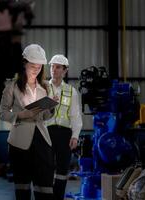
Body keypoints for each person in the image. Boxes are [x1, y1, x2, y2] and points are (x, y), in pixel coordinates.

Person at [0, 44, 54, 200]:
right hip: (20, 142)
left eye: (39, 67)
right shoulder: (12, 87)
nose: (36, 70)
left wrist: (50, 108)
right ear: (24, 64)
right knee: (22, 186)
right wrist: (20, 115)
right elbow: (3, 114)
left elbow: (44, 117)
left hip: (42, 139)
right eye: (32, 66)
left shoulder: (45, 87)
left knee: (45, 185)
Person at [46, 54, 83, 200]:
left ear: (65, 71)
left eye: (58, 67)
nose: (54, 70)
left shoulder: (71, 91)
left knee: (62, 170)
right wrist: (49, 103)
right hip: (46, 133)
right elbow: (34, 110)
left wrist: (75, 136)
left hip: (64, 135)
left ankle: (58, 197)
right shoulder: (42, 87)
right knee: (45, 169)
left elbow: (75, 116)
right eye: (52, 66)